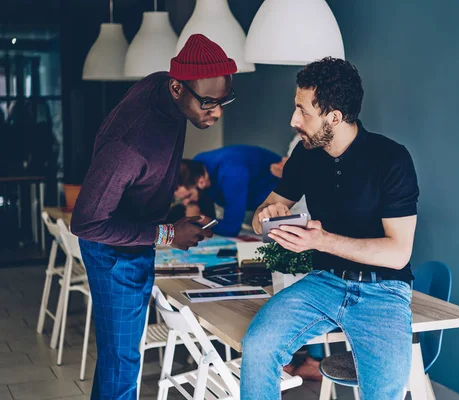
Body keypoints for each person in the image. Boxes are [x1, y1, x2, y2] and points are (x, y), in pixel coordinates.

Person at [241, 57, 419, 399]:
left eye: (303, 111)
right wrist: (268, 214)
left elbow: (398, 253)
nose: (293, 120)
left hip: (383, 291)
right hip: (324, 283)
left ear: (334, 117)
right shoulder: (306, 156)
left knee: (384, 392)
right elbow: (261, 215)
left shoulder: (391, 159)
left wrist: (321, 241)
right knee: (259, 346)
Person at [70, 34, 237, 399]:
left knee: (118, 357)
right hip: (113, 251)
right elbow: (86, 223)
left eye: (225, 101)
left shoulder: (165, 87)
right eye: (208, 102)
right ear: (177, 88)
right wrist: (167, 234)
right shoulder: (130, 144)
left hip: (136, 236)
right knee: (124, 361)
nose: (217, 111)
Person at [174, 145, 282, 237]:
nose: (185, 203)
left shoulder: (231, 173)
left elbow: (232, 228)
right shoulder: (198, 164)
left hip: (282, 199)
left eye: (188, 196)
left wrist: (200, 218)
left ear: (201, 182)